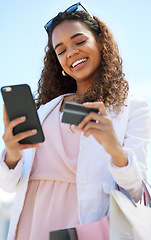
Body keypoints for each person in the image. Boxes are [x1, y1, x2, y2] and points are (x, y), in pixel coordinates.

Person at [0, 2, 151, 240]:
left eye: (79, 41)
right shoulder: (44, 111)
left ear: (101, 42)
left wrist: (114, 149)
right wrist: (11, 153)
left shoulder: (133, 108)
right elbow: (8, 185)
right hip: (29, 224)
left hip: (83, 226)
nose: (71, 53)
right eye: (60, 50)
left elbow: (135, 191)